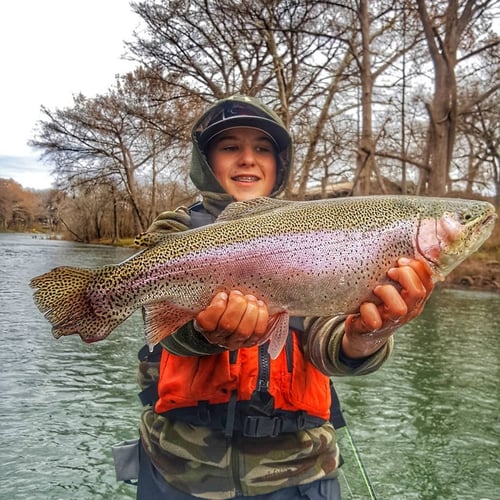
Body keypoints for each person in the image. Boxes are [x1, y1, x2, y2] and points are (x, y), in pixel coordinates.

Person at [131, 95, 434, 499]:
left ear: (280, 163)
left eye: (261, 148)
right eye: (229, 147)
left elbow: (326, 341)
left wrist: (365, 338)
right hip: (180, 471)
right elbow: (162, 328)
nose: (247, 159)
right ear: (204, 162)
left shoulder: (317, 236)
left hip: (300, 473)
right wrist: (206, 335)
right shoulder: (176, 229)